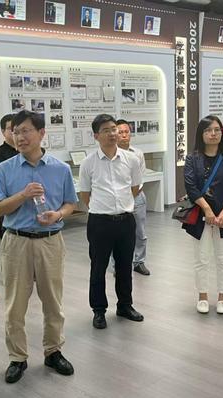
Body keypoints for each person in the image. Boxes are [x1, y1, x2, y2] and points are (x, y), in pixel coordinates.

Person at [0, 110, 78, 384]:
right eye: (15, 132)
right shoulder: (5, 169)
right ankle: (17, 357)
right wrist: (23, 195)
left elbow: (70, 203)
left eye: (25, 131)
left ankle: (53, 351)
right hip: (16, 241)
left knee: (53, 301)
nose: (19, 137)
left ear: (41, 133)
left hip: (50, 241)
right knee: (15, 305)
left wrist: (58, 215)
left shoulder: (60, 169)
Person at [79, 114, 144, 329]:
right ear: (96, 136)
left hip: (126, 220)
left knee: (125, 266)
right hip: (100, 222)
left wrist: (121, 205)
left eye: (114, 129)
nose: (112, 133)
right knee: (98, 267)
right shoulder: (88, 163)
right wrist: (102, 208)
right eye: (106, 130)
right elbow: (85, 193)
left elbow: (135, 188)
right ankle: (98, 310)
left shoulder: (131, 159)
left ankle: (125, 305)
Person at [183, 115, 223, 315]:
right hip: (200, 215)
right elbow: (191, 187)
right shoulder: (192, 159)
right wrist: (207, 210)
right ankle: (203, 296)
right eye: (208, 130)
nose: (213, 134)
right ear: (201, 134)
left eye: (216, 130)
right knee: (201, 258)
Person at [116, 119, 150, 276]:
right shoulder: (112, 154)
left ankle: (139, 262)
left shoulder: (137, 153)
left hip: (136, 197)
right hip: (118, 199)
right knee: (118, 234)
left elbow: (140, 179)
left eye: (126, 132)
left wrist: (131, 196)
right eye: (120, 132)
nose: (124, 135)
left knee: (140, 232)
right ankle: (119, 264)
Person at [0, 114, 18, 238]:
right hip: (7, 200)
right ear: (3, 131)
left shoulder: (27, 150)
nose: (14, 132)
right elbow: (5, 178)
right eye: (10, 129)